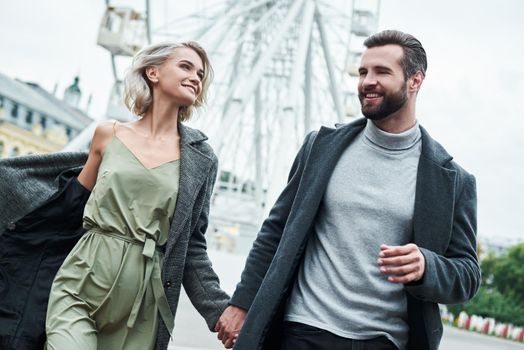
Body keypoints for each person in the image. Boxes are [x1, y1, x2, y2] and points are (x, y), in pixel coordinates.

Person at [214, 30, 480, 350]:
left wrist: (426, 266)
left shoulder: (452, 180)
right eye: (363, 72)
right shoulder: (321, 148)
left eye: (382, 71)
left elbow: (467, 274)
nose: (367, 81)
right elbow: (275, 232)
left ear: (415, 80)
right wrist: (242, 302)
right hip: (303, 330)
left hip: (384, 341)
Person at [0, 41, 229, 350]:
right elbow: (68, 206)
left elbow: (193, 246)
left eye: (201, 74)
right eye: (186, 67)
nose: (196, 78)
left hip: (142, 303)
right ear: (153, 72)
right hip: (81, 280)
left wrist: (219, 311)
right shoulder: (108, 135)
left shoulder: (201, 159)